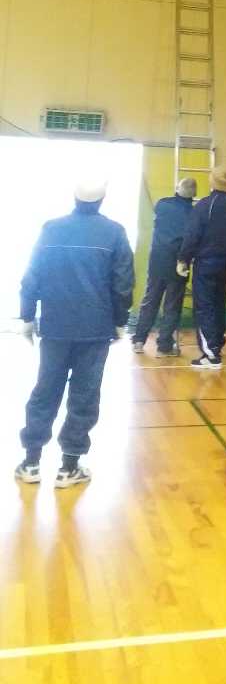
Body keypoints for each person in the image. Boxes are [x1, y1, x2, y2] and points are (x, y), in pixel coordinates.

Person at [15, 178, 135, 488]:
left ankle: (31, 462)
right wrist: (120, 320)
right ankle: (69, 467)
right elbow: (123, 282)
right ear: (102, 199)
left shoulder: (51, 229)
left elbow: (32, 275)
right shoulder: (114, 232)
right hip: (95, 329)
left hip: (55, 326)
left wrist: (27, 315)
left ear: (75, 197)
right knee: (85, 394)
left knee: (46, 390)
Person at [178, 167, 226, 370]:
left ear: (212, 181)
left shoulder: (204, 205)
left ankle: (211, 355)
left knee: (204, 306)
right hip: (225, 263)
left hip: (206, 262)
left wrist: (183, 259)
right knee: (218, 304)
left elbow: (192, 235)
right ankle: (216, 342)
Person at [132, 178, 197, 356]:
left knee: (150, 300)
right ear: (194, 194)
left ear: (177, 188)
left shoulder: (162, 204)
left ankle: (139, 340)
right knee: (172, 305)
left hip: (157, 259)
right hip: (179, 262)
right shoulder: (194, 213)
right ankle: (164, 346)